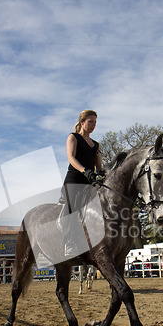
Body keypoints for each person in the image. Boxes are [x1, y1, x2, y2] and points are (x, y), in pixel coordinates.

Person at [61, 110, 103, 257]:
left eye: (95, 122)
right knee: (72, 208)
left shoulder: (96, 145)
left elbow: (99, 167)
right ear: (82, 122)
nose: (93, 125)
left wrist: (102, 175)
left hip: (89, 183)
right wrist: (85, 171)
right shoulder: (73, 137)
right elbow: (71, 158)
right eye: (90, 121)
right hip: (74, 181)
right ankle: (69, 242)